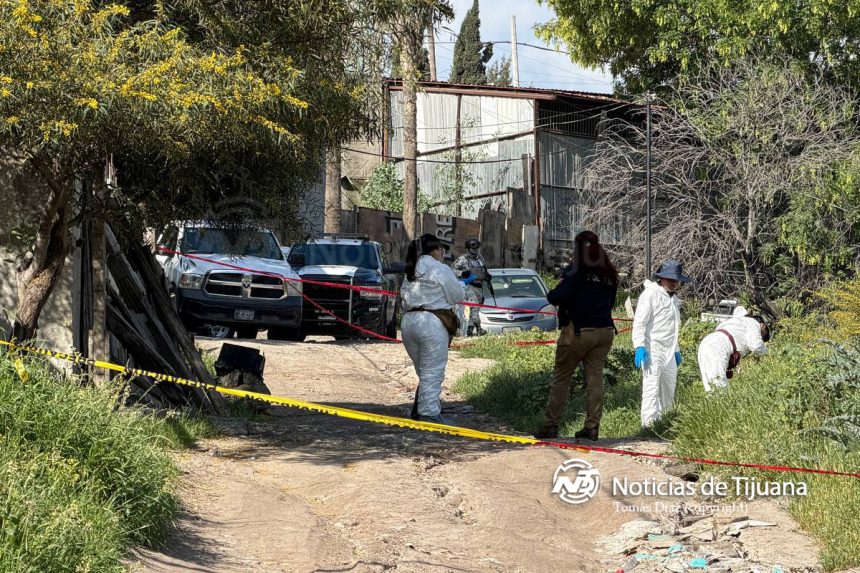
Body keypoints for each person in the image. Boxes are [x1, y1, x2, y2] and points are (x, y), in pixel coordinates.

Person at [535, 231, 619, 441]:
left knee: (562, 378)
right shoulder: (609, 274)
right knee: (595, 379)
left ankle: (551, 426)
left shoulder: (577, 270)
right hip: (605, 332)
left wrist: (554, 293)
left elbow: (558, 296)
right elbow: (611, 303)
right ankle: (592, 427)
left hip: (579, 331)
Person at [400, 234, 469, 424]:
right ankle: (429, 415)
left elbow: (404, 296)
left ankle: (418, 410)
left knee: (423, 370)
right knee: (432, 371)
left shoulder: (411, 270)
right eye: (442, 250)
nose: (442, 253)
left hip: (409, 322)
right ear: (436, 250)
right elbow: (456, 295)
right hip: (431, 323)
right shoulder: (440, 269)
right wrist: (461, 285)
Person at [632, 260, 691, 428]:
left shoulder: (674, 300)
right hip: (653, 349)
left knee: (668, 388)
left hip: (669, 350)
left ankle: (664, 423)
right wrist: (639, 346)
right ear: (661, 278)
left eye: (676, 279)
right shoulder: (650, 295)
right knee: (651, 388)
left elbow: (674, 328)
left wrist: (676, 350)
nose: (673, 282)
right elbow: (640, 323)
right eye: (669, 279)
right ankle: (648, 426)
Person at [697, 306, 771, 392]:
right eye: (763, 336)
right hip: (718, 347)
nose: (761, 338)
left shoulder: (739, 321)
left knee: (711, 388)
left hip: (707, 343)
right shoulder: (753, 323)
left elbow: (739, 309)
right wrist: (767, 353)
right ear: (763, 326)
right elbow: (757, 346)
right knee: (719, 389)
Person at [452, 239, 490, 336]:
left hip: (479, 286)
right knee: (475, 306)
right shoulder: (463, 259)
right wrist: (462, 273)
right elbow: (452, 270)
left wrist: (487, 276)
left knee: (475, 308)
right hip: (468, 285)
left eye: (477, 247)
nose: (476, 250)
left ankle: (469, 330)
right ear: (468, 248)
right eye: (474, 248)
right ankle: (479, 329)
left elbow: (484, 271)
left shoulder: (480, 259)